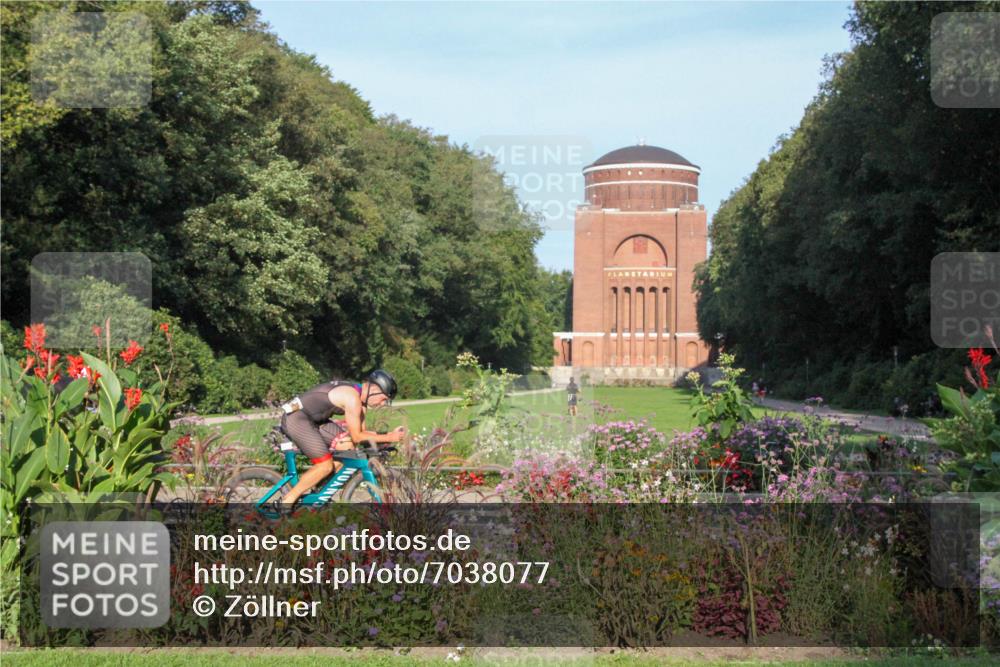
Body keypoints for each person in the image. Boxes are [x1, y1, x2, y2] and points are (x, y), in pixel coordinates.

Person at [279, 369, 404, 507]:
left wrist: (386, 437)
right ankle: (288, 500)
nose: (383, 404)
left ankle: (318, 494)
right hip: (296, 418)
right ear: (374, 389)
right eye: (384, 399)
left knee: (347, 448)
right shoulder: (352, 398)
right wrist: (389, 437)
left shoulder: (360, 400)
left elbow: (361, 433)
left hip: (315, 420)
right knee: (325, 466)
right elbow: (357, 437)